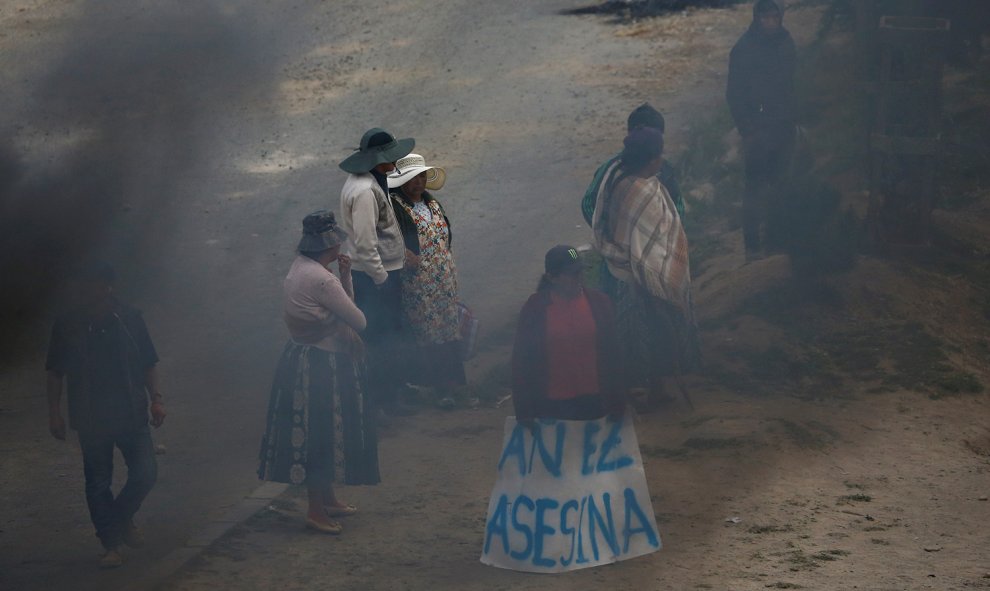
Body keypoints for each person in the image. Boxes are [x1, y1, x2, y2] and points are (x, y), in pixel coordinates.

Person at [257, 211, 378, 535]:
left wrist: (345, 277)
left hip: (301, 358)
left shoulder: (300, 268)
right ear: (330, 244)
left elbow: (340, 312)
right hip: (324, 365)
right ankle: (315, 509)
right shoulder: (322, 280)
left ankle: (327, 499)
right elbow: (358, 320)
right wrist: (342, 287)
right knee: (321, 435)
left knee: (317, 431)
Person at [45, 262, 165, 569]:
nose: (87, 289)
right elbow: (55, 371)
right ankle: (111, 544)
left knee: (146, 474)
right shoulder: (67, 325)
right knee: (98, 482)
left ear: (108, 286)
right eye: (84, 283)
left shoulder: (129, 319)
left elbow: (148, 362)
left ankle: (119, 519)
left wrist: (156, 400)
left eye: (94, 283)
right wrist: (54, 413)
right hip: (90, 417)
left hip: (130, 410)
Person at [591, 127, 698, 410]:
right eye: (659, 155)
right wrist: (656, 272)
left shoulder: (619, 179)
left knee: (637, 337)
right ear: (650, 160)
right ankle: (645, 391)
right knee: (649, 335)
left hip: (624, 272)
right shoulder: (641, 191)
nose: (661, 160)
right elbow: (646, 240)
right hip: (640, 276)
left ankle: (650, 390)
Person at [338, 127, 418, 416]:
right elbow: (365, 243)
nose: (395, 163)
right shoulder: (364, 192)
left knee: (386, 335)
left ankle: (389, 393)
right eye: (390, 158)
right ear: (376, 160)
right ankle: (383, 401)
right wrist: (382, 279)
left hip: (376, 274)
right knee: (382, 339)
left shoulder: (370, 181)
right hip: (374, 278)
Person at [510, 245, 625, 424]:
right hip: (552, 407)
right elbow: (522, 361)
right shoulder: (535, 309)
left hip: (595, 402)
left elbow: (613, 354)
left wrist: (618, 401)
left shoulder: (600, 304)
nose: (579, 278)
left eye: (580, 272)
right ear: (552, 278)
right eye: (572, 274)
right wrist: (524, 411)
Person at [387, 153, 466, 408]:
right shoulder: (396, 207)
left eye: (421, 176)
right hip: (418, 283)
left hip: (443, 281)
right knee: (427, 332)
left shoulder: (432, 203)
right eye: (413, 178)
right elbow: (388, 239)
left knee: (448, 328)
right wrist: (403, 254)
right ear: (402, 181)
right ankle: (437, 388)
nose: (419, 182)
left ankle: (452, 383)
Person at [726, 0, 797, 261]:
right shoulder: (743, 49)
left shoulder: (786, 43)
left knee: (781, 184)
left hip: (783, 126)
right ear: (756, 18)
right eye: (764, 18)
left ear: (780, 17)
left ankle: (777, 242)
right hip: (756, 128)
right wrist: (747, 128)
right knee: (754, 188)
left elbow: (792, 85)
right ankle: (753, 247)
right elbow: (734, 94)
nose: (769, 22)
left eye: (773, 17)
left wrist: (793, 120)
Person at [581, 102, 684, 227]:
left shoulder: (665, 171)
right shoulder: (611, 169)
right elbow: (588, 204)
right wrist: (606, 229)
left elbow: (677, 208)